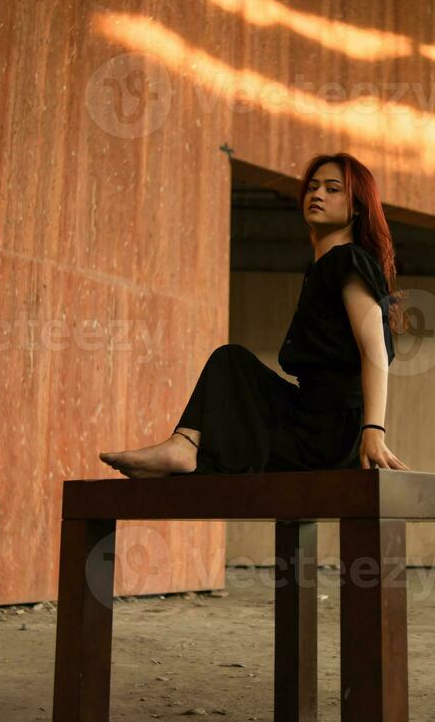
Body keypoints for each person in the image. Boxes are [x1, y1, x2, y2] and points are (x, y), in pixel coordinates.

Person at [99, 152, 410, 478]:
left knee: (231, 374)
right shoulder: (321, 268)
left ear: (357, 206)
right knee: (231, 363)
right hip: (307, 413)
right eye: (313, 188)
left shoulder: (348, 261)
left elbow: (373, 349)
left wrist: (374, 430)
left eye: (333, 189)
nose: (316, 195)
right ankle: (184, 445)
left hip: (333, 431)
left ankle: (185, 451)